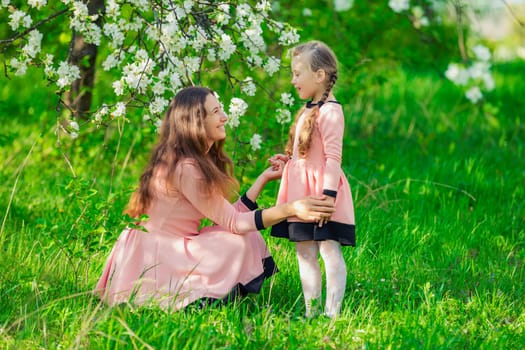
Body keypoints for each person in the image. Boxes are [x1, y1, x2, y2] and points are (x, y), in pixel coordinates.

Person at [95, 86, 335, 311]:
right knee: (238, 241)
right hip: (157, 254)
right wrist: (291, 208)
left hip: (157, 245)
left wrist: (262, 180)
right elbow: (235, 223)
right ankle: (198, 296)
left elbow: (224, 216)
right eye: (215, 111)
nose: (224, 117)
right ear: (196, 121)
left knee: (241, 235)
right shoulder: (186, 167)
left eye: (221, 109)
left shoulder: (186, 158)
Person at [270, 41, 356, 318]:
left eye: (297, 74)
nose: (293, 80)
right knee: (304, 252)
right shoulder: (307, 110)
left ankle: (332, 313)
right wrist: (290, 162)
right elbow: (307, 153)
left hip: (320, 193)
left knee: (329, 249)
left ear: (319, 76)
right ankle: (311, 312)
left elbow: (332, 158)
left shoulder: (331, 112)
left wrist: (328, 197)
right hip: (300, 193)